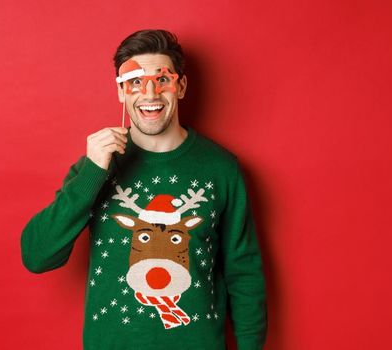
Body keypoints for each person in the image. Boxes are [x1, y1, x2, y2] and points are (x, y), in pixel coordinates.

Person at [21, 29, 267, 350]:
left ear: (180, 87)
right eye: (136, 81)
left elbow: (243, 271)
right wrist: (93, 172)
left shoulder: (221, 169)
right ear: (122, 92)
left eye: (161, 80)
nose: (149, 93)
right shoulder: (95, 167)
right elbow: (37, 256)